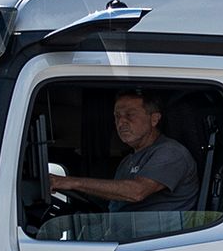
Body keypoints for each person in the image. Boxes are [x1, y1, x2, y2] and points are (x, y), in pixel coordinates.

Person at [52, 90, 199, 213]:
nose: (121, 122)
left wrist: (71, 182)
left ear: (154, 119)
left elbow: (136, 192)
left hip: (158, 242)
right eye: (117, 116)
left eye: (130, 115)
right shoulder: (128, 160)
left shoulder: (170, 152)